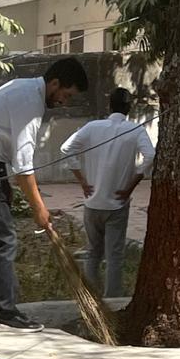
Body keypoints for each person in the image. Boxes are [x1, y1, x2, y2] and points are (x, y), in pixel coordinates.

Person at [0, 56, 89, 331]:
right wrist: (39, 207)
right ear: (54, 83)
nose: (64, 102)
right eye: (65, 94)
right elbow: (23, 165)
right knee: (4, 240)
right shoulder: (29, 102)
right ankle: (6, 314)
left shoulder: (23, 87)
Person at [60, 86, 155, 298]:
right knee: (114, 256)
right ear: (129, 108)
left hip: (92, 202)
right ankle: (113, 299)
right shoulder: (135, 130)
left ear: (109, 105)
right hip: (117, 203)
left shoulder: (92, 127)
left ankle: (91, 298)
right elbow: (150, 156)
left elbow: (66, 149)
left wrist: (82, 181)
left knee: (93, 253)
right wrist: (131, 185)